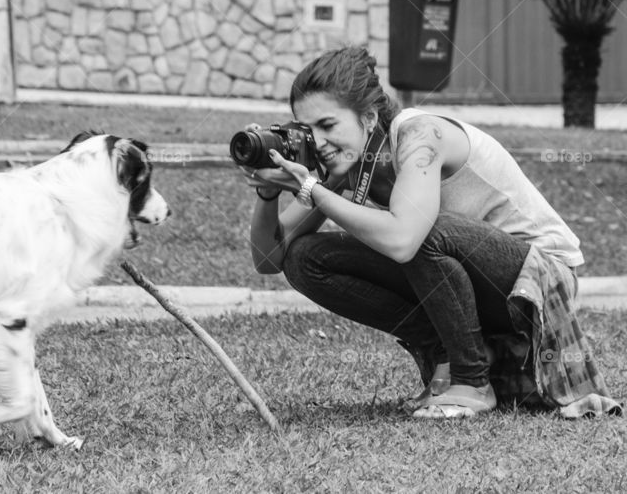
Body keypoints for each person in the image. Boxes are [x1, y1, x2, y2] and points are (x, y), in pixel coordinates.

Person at [242, 46, 619, 418]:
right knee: (305, 258)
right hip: (473, 281)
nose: (317, 142)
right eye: (306, 130)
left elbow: (404, 239)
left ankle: (471, 382)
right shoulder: (346, 161)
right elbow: (270, 260)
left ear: (369, 117)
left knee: (418, 227)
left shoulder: (421, 135)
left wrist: (312, 189)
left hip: (538, 280)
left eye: (327, 125)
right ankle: (445, 356)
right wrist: (268, 191)